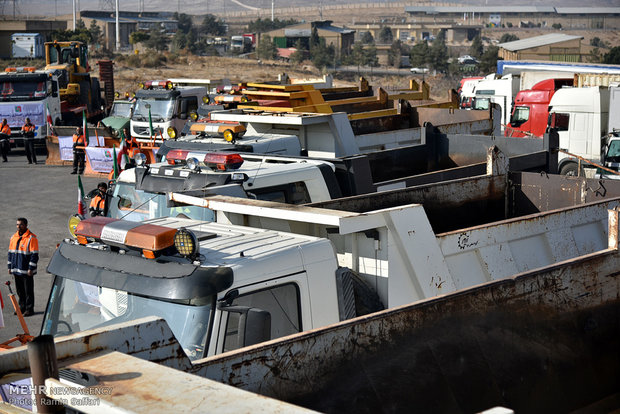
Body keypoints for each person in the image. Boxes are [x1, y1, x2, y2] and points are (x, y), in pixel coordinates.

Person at [8, 218, 38, 317]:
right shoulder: (14, 237)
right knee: (20, 290)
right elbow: (10, 253)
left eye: (20, 225)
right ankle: (22, 307)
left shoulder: (31, 238)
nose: (18, 226)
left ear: (26, 225)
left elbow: (34, 255)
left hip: (26, 270)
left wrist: (31, 268)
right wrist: (9, 267)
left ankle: (29, 309)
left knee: (28, 290)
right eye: (17, 224)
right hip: (16, 269)